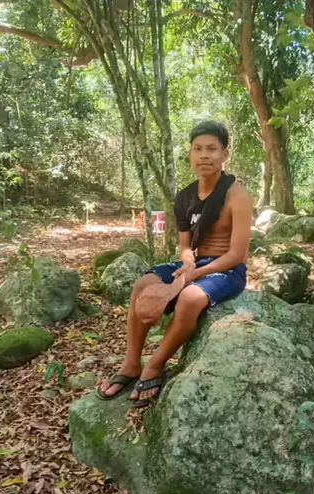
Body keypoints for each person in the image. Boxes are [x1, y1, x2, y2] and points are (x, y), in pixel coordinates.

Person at [98, 120, 253, 405]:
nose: (204, 155)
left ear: (225, 155)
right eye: (198, 149)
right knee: (142, 285)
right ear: (190, 154)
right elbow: (185, 246)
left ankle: (155, 365)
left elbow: (237, 255)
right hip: (197, 262)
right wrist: (188, 263)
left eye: (212, 149)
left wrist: (196, 274)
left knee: (190, 299)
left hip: (228, 269)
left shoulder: (237, 195)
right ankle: (131, 363)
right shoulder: (185, 197)